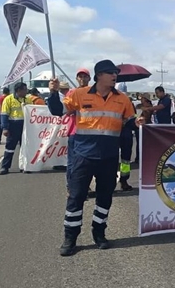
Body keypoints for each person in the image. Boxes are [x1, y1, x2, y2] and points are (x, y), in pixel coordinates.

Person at [47, 59, 141, 256]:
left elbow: (130, 124)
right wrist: (53, 92)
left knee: (105, 197)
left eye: (115, 72)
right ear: (99, 75)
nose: (115, 75)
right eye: (110, 72)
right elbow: (57, 111)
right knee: (76, 197)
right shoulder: (79, 94)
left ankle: (99, 234)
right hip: (83, 155)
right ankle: (70, 237)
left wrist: (138, 123)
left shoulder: (123, 99)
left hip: (108, 157)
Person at [0, 83, 32, 175]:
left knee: (25, 147)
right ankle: (5, 167)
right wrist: (5, 128)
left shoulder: (28, 99)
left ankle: (25, 166)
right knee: (10, 147)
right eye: (24, 89)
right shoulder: (8, 99)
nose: (26, 91)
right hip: (13, 126)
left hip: (25, 126)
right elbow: (4, 114)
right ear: (19, 90)